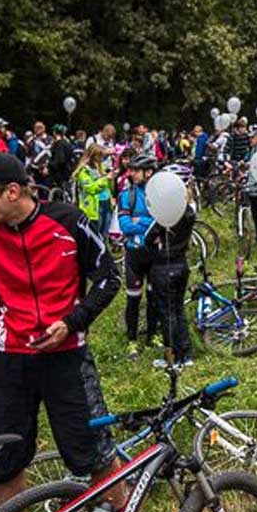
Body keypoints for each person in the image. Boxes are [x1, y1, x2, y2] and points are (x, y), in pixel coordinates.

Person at [0, 154, 161, 512]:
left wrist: (73, 321)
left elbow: (109, 277)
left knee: (95, 453)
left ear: (12, 191)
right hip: (10, 359)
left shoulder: (68, 222)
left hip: (67, 356)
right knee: (6, 457)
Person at [117, 153, 158, 358]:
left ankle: (152, 336)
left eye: (136, 170)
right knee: (133, 298)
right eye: (130, 169)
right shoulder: (127, 195)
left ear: (148, 172)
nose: (131, 173)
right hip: (134, 254)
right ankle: (132, 340)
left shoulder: (159, 194)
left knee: (154, 297)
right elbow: (124, 226)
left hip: (154, 254)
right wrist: (148, 223)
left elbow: (162, 223)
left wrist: (138, 221)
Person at [145, 202, 196, 366]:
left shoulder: (166, 215)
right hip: (182, 265)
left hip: (164, 267)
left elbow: (148, 239)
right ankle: (186, 353)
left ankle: (173, 356)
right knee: (179, 309)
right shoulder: (189, 212)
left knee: (167, 313)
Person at [73, 142, 113, 235]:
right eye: (99, 156)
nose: (101, 159)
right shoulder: (84, 171)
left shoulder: (100, 167)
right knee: (96, 233)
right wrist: (105, 179)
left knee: (104, 231)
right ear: (92, 156)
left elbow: (107, 186)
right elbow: (91, 188)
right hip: (93, 206)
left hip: (106, 202)